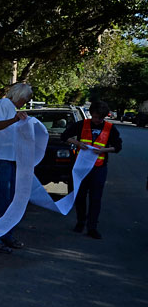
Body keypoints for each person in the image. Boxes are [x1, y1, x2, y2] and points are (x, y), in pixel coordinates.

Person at [0, 82, 33, 253]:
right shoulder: (4, 104)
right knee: (2, 201)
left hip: (7, 159)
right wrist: (15, 119)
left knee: (10, 201)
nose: (25, 103)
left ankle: (5, 235)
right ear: (19, 96)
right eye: (25, 99)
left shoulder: (11, 108)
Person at [60, 100, 122, 239]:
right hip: (81, 167)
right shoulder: (83, 124)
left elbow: (118, 147)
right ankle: (80, 222)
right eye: (94, 117)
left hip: (99, 168)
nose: (96, 120)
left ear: (104, 116)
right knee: (80, 196)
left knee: (95, 198)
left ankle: (92, 227)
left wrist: (104, 150)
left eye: (99, 118)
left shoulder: (110, 128)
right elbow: (64, 136)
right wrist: (78, 143)